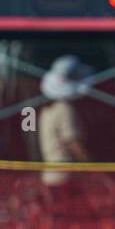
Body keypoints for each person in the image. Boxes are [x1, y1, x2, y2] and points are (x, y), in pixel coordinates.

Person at [38, 55, 94, 189]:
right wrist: (93, 168)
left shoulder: (46, 110)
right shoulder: (64, 109)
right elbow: (72, 142)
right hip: (64, 178)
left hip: (51, 175)